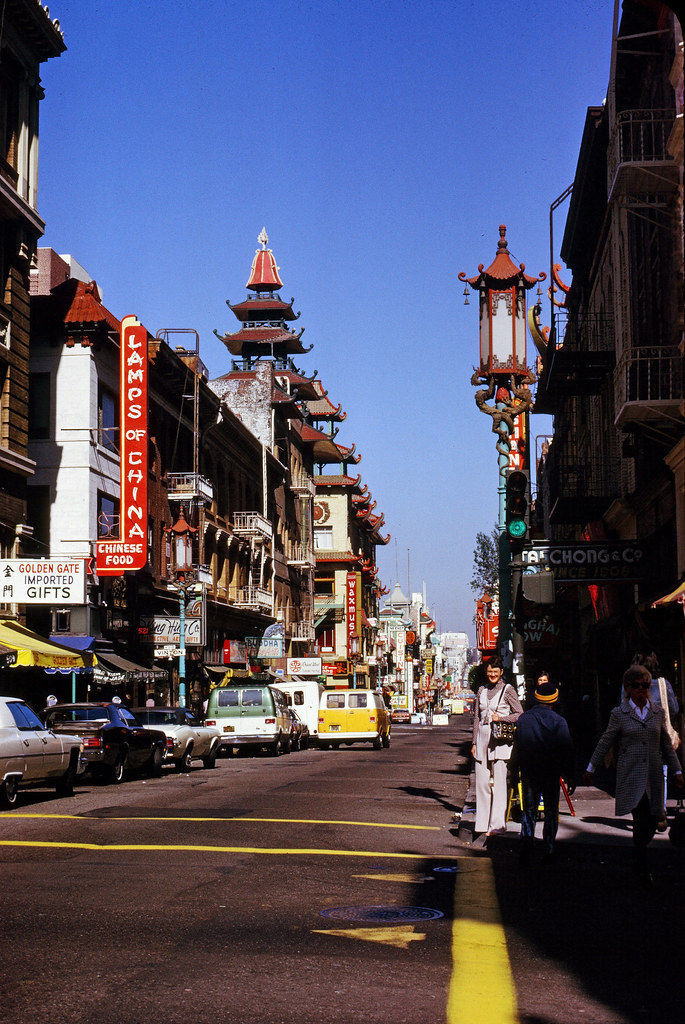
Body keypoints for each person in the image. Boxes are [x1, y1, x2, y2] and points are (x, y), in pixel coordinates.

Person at [584, 663, 683, 883]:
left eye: (645, 685)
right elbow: (606, 740)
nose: (641, 689)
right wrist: (591, 767)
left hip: (654, 776)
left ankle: (639, 855)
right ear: (628, 688)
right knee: (641, 819)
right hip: (631, 774)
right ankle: (641, 865)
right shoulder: (620, 714)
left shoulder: (658, 713)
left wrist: (677, 770)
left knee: (651, 821)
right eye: (636, 686)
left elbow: (666, 745)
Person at [510, 674, 574, 865]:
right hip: (551, 773)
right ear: (554, 699)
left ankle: (527, 843)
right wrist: (570, 775)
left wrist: (513, 773)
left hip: (530, 772)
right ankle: (549, 848)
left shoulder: (523, 720)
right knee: (551, 811)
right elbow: (566, 749)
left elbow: (517, 749)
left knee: (529, 810)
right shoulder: (559, 721)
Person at [470, 656, 522, 838]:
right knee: (482, 782)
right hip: (483, 738)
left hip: (501, 739)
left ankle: (498, 825)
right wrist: (474, 742)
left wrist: (502, 718)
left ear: (501, 673)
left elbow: (519, 714)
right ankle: (482, 823)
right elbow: (476, 717)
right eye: (489, 671)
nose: (492, 674)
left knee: (499, 783)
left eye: (495, 671)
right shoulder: (481, 690)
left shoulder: (508, 690)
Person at [632, 652, 680, 830]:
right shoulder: (662, 684)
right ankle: (660, 813)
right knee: (662, 773)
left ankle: (642, 812)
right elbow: (673, 709)